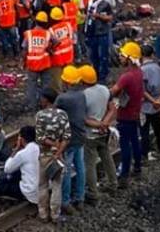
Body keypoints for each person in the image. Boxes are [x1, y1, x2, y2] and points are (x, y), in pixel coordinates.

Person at [79, 65, 116, 203]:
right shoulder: (104, 89)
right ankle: (113, 184)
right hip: (104, 132)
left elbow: (84, 119)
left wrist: (99, 125)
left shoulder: (83, 95)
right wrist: (105, 123)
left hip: (90, 134)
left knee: (89, 164)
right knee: (107, 157)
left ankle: (93, 193)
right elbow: (112, 109)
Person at [34, 88, 69, 223]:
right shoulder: (63, 115)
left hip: (44, 155)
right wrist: (59, 151)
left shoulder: (40, 115)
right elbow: (67, 136)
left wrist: (52, 145)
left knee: (42, 185)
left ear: (46, 99)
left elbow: (40, 138)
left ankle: (43, 213)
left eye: (42, 98)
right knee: (56, 185)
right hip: (58, 156)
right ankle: (55, 214)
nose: (40, 100)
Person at [111, 41, 145, 181]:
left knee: (125, 146)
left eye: (123, 55)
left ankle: (124, 174)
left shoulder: (127, 77)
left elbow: (113, 91)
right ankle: (137, 167)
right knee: (135, 142)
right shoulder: (139, 72)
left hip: (125, 115)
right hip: (135, 112)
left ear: (129, 58)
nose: (120, 57)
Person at [55, 66, 87, 211]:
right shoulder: (81, 95)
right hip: (80, 136)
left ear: (66, 81)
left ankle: (66, 201)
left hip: (68, 139)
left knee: (66, 170)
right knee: (80, 167)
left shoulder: (63, 98)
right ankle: (80, 198)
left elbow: (53, 111)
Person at [0, 125, 40, 209]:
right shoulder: (39, 148)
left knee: (0, 180)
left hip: (28, 191)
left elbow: (7, 169)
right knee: (18, 172)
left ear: (22, 139)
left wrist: (16, 149)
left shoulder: (23, 153)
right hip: (42, 189)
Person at [140, 43, 160, 162]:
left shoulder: (142, 70)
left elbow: (142, 90)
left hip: (145, 105)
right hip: (157, 106)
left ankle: (144, 155)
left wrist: (152, 101)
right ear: (152, 55)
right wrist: (158, 101)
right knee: (158, 128)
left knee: (144, 131)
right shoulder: (159, 68)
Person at [24, 12, 53, 109]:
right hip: (45, 62)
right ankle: (44, 104)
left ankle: (32, 105)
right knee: (46, 84)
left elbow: (24, 49)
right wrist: (49, 50)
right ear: (45, 23)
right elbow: (56, 42)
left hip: (32, 63)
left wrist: (24, 61)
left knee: (32, 85)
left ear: (36, 21)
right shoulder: (48, 33)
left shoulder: (28, 33)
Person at [85, 0, 114, 84]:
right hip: (92, 32)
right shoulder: (89, 4)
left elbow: (110, 17)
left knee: (103, 55)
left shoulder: (105, 4)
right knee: (94, 55)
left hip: (102, 32)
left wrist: (99, 16)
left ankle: (104, 75)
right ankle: (96, 74)